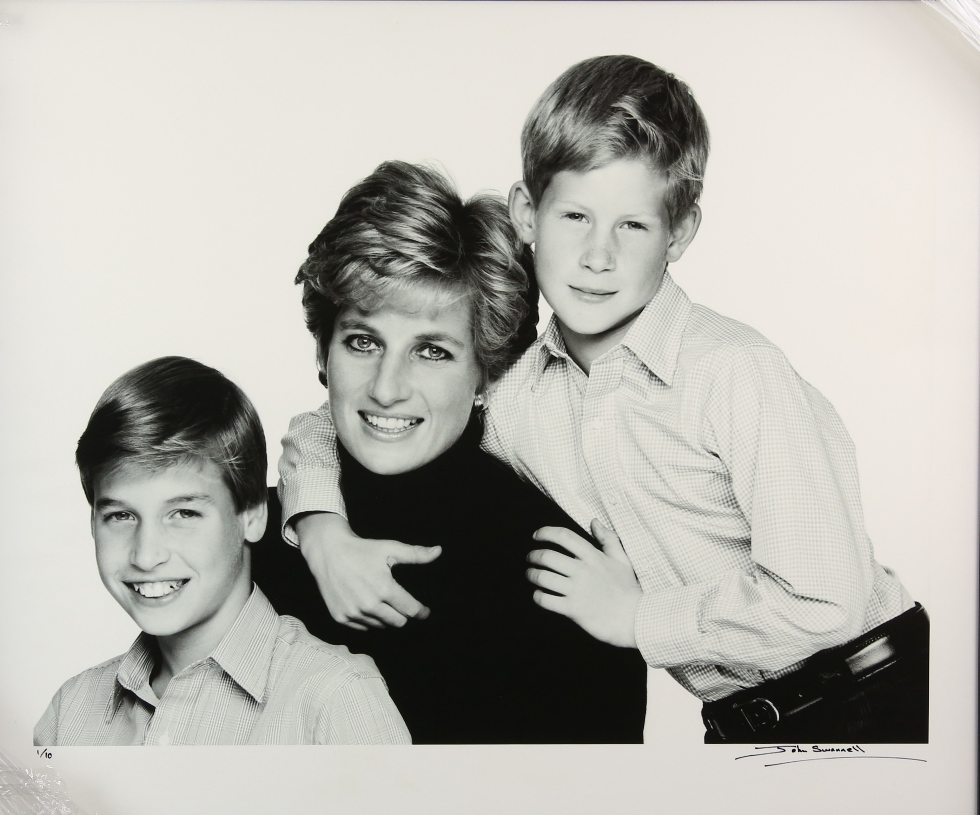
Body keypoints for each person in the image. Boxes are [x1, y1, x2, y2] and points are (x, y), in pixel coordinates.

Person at [276, 56, 929, 744]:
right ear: (528, 213)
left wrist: (637, 617)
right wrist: (321, 527)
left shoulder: (735, 371)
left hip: (872, 688)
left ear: (679, 232)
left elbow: (826, 601)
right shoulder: (519, 394)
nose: (597, 257)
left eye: (633, 227)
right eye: (576, 217)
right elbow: (364, 413)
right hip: (742, 725)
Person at [253, 160, 646, 744]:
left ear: (488, 371)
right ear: (323, 353)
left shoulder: (563, 571)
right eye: (363, 342)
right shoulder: (248, 540)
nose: (387, 388)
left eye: (432, 351)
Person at [34, 356, 410, 746]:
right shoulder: (71, 712)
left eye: (183, 513)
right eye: (121, 516)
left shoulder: (335, 700)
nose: (145, 557)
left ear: (251, 515)